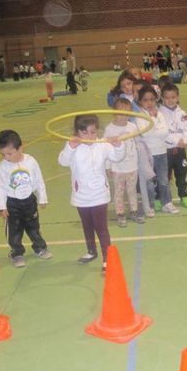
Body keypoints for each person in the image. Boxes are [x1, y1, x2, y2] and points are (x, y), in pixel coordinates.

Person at [58, 115, 125, 273]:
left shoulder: (102, 145)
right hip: (81, 196)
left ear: (97, 131)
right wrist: (70, 147)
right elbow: (63, 161)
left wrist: (118, 146)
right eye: (85, 133)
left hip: (99, 195)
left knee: (101, 228)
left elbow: (118, 157)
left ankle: (107, 258)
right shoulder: (73, 148)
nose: (90, 136)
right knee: (87, 226)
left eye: (93, 132)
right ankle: (91, 251)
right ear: (77, 132)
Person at [0, 130, 51, 268]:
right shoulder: (2, 167)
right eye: (3, 154)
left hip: (29, 201)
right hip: (12, 204)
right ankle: (17, 253)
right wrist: (2, 206)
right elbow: (0, 187)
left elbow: (39, 179)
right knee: (14, 231)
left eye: (9, 153)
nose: (6, 157)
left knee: (34, 227)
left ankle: (40, 247)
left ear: (20, 148)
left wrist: (42, 197)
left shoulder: (31, 161)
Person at [135, 85, 180, 215]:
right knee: (149, 183)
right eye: (145, 100)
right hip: (147, 155)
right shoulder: (140, 117)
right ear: (140, 102)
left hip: (161, 153)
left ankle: (167, 203)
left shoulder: (160, 114)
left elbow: (165, 132)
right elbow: (145, 133)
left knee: (164, 180)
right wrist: (154, 121)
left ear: (156, 100)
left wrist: (154, 124)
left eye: (152, 100)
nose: (149, 103)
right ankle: (149, 205)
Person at [104, 98, 144, 226]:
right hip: (118, 168)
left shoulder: (132, 126)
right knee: (119, 191)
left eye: (127, 113)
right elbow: (106, 149)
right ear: (114, 112)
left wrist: (140, 161)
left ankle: (134, 211)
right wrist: (108, 166)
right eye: (121, 112)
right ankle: (120, 213)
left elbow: (137, 143)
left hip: (132, 166)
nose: (124, 116)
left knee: (132, 190)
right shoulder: (110, 129)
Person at [160, 84, 187, 208]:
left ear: (177, 97)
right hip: (165, 151)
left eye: (173, 97)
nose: (170, 100)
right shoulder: (159, 114)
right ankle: (159, 197)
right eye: (167, 98)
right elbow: (162, 132)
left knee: (182, 175)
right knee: (163, 177)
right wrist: (176, 141)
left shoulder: (182, 113)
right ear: (162, 98)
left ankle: (184, 196)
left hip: (180, 150)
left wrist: (185, 141)